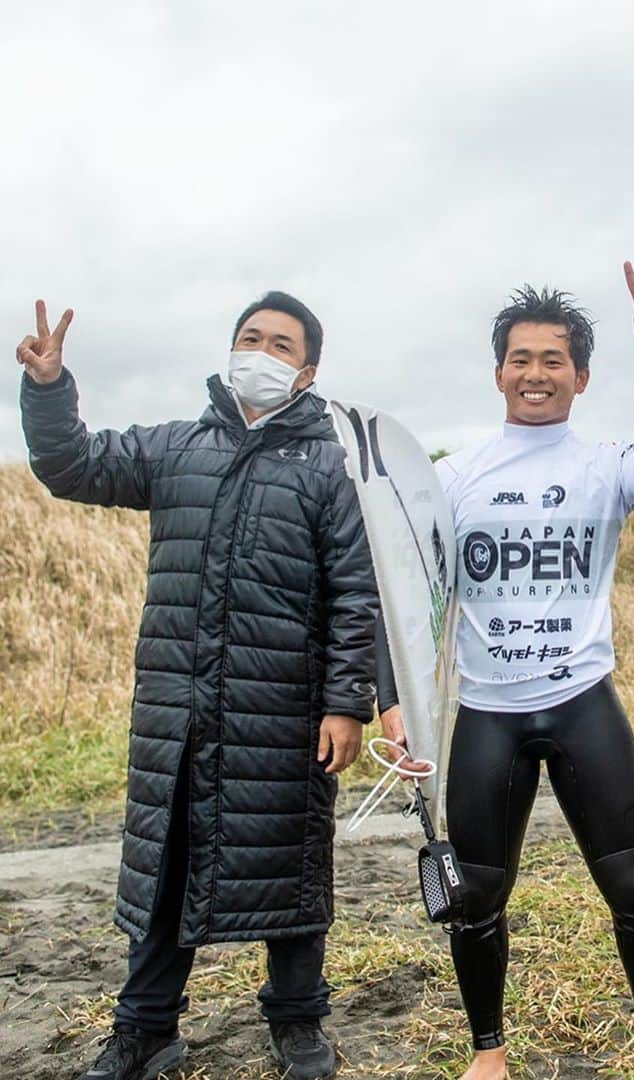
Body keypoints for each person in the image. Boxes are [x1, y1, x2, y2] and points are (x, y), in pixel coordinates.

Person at [17, 292, 379, 1080]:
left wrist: (348, 703)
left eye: (280, 344)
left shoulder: (323, 470)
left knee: (290, 869)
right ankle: (145, 1030)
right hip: (178, 717)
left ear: (307, 371)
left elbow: (356, 592)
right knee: (167, 870)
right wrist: (48, 390)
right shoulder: (178, 446)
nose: (261, 351)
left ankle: (298, 1023)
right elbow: (73, 463)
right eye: (250, 337)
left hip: (283, 716)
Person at [376, 268, 634, 1080]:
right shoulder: (450, 482)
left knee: (631, 882)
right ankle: (488, 1053)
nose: (535, 373)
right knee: (477, 896)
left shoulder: (606, 467)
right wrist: (393, 703)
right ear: (498, 373)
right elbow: (402, 598)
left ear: (582, 377)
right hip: (488, 714)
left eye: (553, 360)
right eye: (520, 359)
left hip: (584, 701)